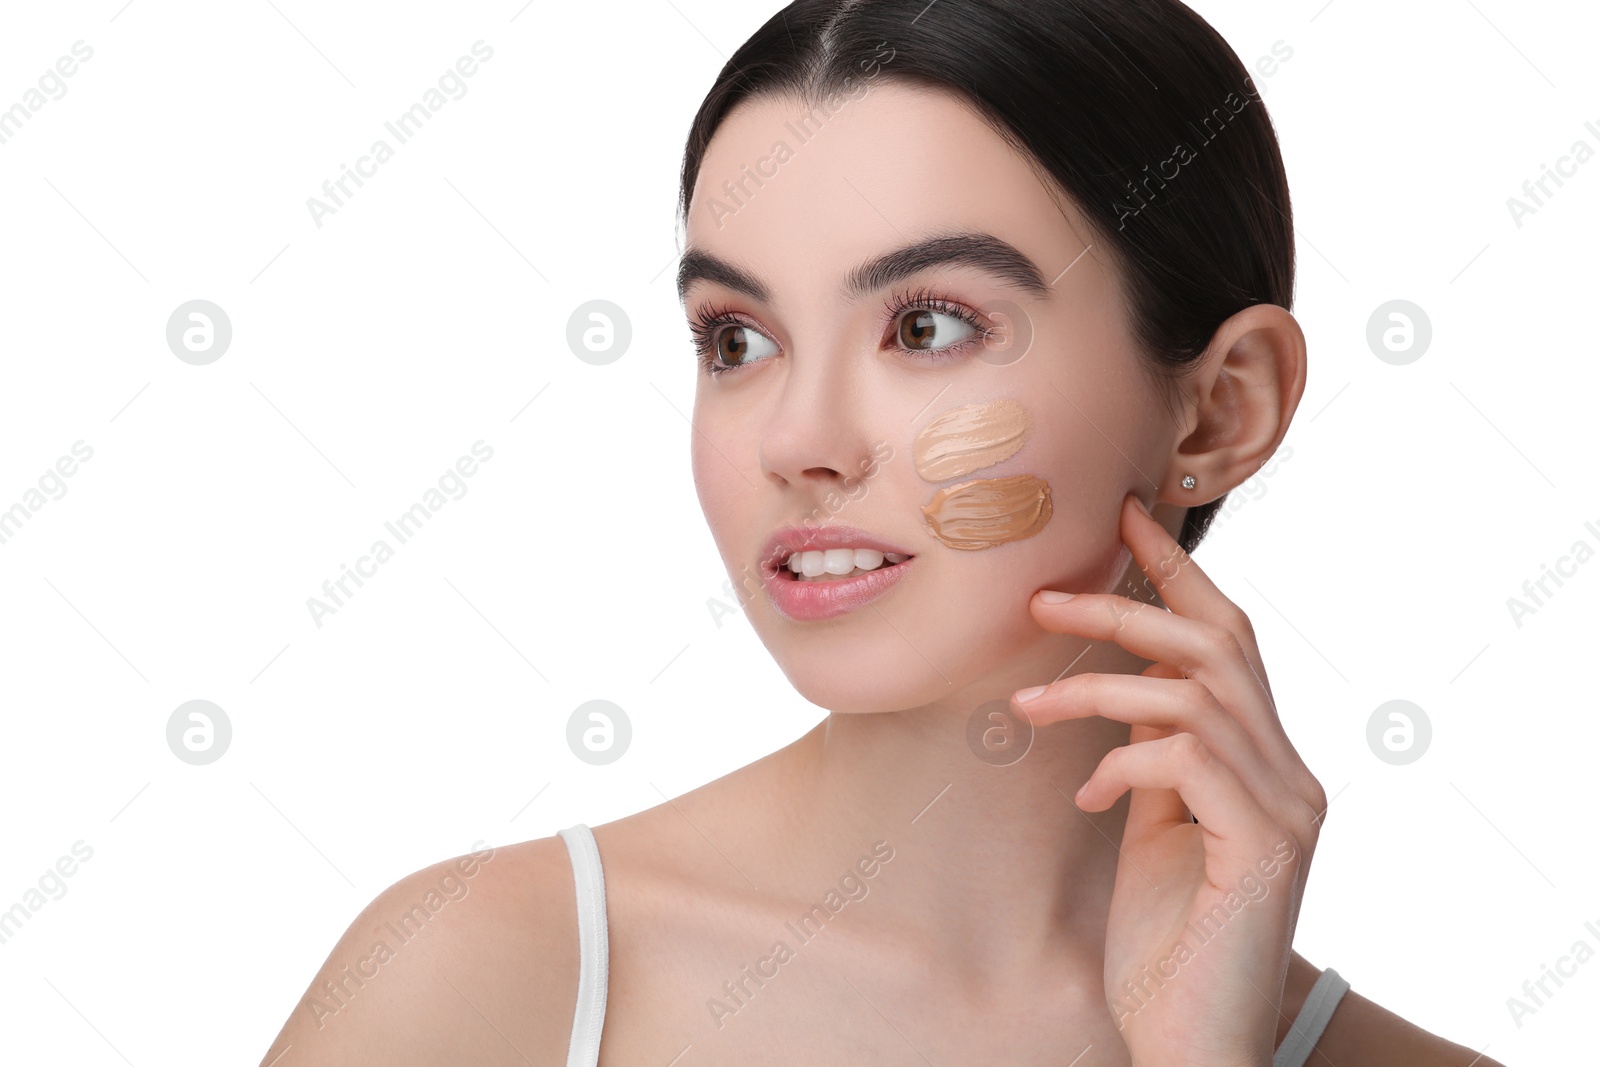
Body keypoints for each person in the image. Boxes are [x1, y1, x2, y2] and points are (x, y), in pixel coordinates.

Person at [260, 1, 1506, 1063]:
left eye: (926, 328)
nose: (798, 438)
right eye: (734, 339)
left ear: (1220, 408)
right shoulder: (484, 983)